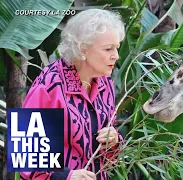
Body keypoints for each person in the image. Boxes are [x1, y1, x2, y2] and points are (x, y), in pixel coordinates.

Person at [20, 9, 125, 180]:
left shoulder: (105, 83)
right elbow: (26, 155)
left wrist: (113, 139)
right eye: (108, 49)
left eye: (117, 48)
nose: (116, 56)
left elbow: (108, 157)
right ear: (83, 49)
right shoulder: (48, 86)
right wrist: (67, 176)